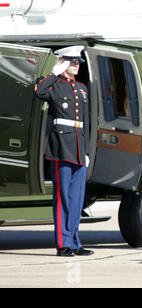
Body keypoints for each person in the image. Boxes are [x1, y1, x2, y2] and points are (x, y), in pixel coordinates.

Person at [35, 46, 93, 257]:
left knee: (77, 199)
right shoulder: (54, 85)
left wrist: (86, 150)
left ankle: (75, 241)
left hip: (78, 147)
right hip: (61, 146)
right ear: (63, 62)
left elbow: (85, 122)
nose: (76, 65)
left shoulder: (82, 89)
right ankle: (64, 243)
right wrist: (54, 73)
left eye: (77, 62)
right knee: (63, 198)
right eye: (71, 61)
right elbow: (39, 91)